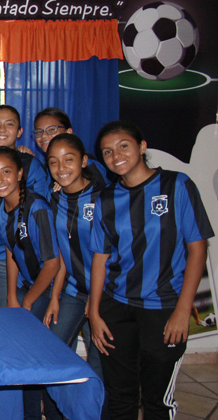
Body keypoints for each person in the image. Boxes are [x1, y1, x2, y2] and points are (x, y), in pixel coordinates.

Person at [89, 121, 213, 420]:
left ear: (142, 146)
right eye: (107, 151)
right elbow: (100, 259)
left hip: (164, 308)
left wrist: (183, 309)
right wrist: (93, 313)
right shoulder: (106, 199)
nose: (116, 155)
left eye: (123, 146)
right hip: (116, 308)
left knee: (157, 400)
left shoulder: (177, 185)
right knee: (120, 396)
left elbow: (198, 249)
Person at [0, 146, 60, 420]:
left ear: (20, 174)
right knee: (24, 355)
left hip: (52, 289)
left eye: (6, 172)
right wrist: (11, 296)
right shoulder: (0, 207)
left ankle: (49, 413)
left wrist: (27, 301)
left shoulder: (37, 207)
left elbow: (53, 263)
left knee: (40, 358)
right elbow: (11, 251)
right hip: (28, 288)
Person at [42, 133, 106, 420]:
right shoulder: (55, 198)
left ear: (84, 161)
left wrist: (96, 302)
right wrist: (55, 296)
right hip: (72, 291)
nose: (61, 168)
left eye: (68, 159)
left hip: (104, 294)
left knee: (99, 364)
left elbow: (109, 256)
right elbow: (62, 252)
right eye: (53, 162)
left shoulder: (103, 198)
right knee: (52, 352)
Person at [0, 105, 50, 309]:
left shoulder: (30, 165)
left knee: (7, 316)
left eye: (9, 125)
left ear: (19, 132)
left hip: (11, 258)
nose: (2, 130)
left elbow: (39, 217)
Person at [33, 107, 109, 189]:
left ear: (68, 132)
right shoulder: (45, 168)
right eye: (39, 132)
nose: (44, 136)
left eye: (51, 130)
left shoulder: (88, 165)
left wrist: (68, 187)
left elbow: (103, 193)